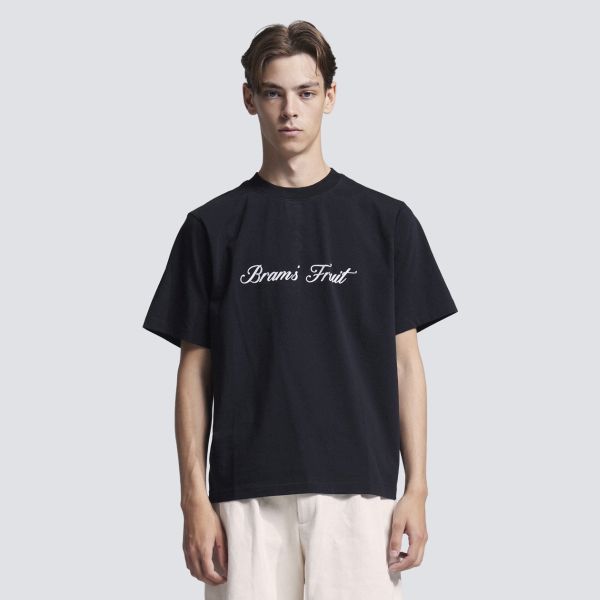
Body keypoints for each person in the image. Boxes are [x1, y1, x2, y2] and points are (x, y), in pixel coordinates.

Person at [142, 19, 458, 600]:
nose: (290, 110)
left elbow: (407, 365)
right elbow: (194, 372)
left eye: (306, 92)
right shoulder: (211, 228)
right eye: (273, 93)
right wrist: (193, 498)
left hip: (358, 493)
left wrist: (417, 488)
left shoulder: (386, 223)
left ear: (330, 97)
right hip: (245, 494)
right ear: (249, 99)